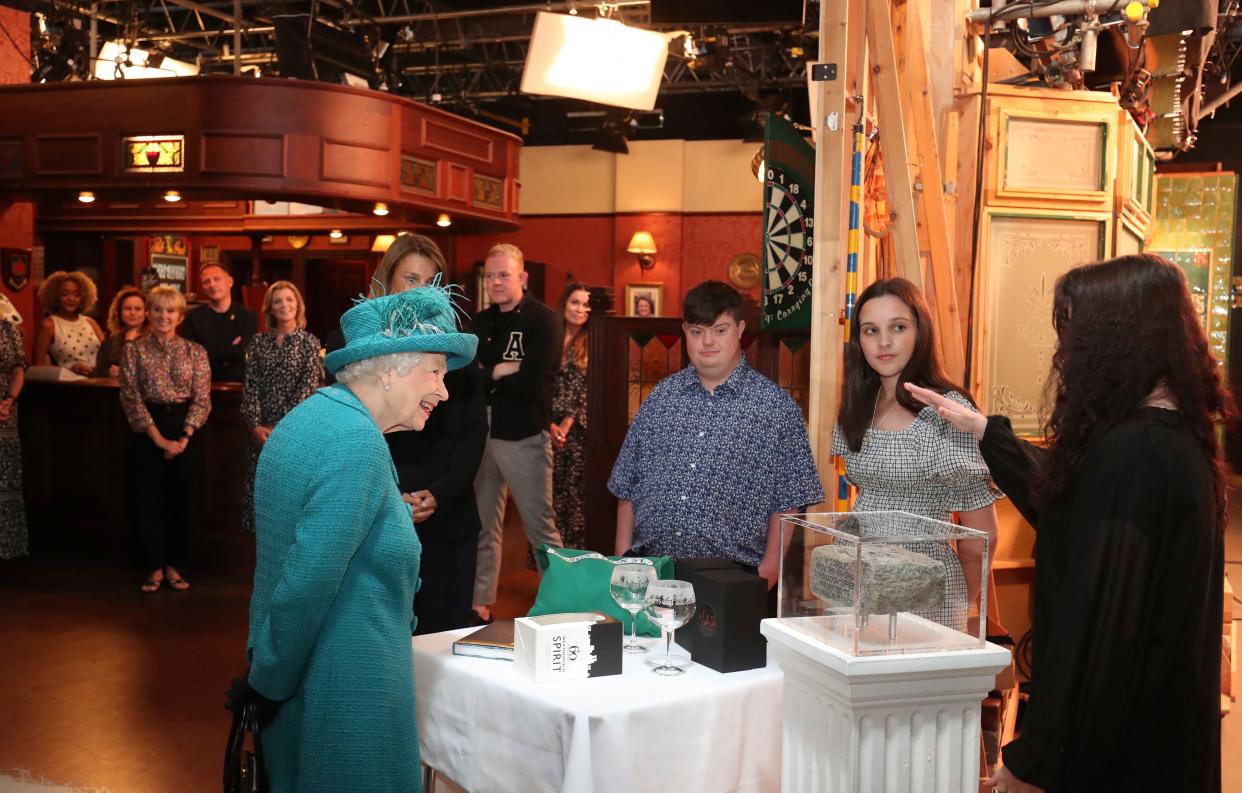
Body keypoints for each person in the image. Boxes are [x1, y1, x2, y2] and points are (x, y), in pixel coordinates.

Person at [908, 254, 1231, 793]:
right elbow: (1077, 507)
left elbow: (1097, 628)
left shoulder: (1132, 453)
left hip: (1115, 754)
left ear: (1117, 339)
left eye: (1074, 332)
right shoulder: (1170, 436)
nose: (1064, 352)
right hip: (1161, 737)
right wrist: (987, 431)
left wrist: (1035, 758)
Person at [243, 285, 477, 793]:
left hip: (309, 684)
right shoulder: (356, 444)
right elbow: (305, 584)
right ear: (390, 367)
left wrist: (267, 679)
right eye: (435, 370)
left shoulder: (312, 418)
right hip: (345, 699)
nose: (444, 390)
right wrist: (269, 683)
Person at [608, 280, 824, 589]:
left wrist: (769, 571)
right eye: (697, 332)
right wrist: (622, 562)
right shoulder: (661, 397)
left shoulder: (774, 407)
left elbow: (790, 499)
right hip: (652, 570)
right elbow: (627, 484)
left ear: (740, 329)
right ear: (684, 332)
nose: (707, 342)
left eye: (719, 330)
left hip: (733, 577)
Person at [831, 278, 1005, 635]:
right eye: (870, 330)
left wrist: (959, 606)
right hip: (854, 580)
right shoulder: (858, 404)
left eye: (898, 327)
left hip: (927, 592)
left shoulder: (947, 411)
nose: (883, 342)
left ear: (920, 331)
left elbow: (978, 539)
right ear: (858, 340)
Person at [366, 234, 488, 633]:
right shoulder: (360, 350)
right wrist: (393, 497)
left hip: (448, 514)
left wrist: (438, 494)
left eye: (431, 283)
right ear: (387, 281)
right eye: (410, 279)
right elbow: (361, 436)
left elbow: (472, 436)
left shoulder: (459, 353)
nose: (420, 292)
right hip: (382, 513)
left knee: (446, 645)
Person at [471, 243, 563, 624]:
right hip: (480, 431)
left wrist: (486, 375)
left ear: (522, 277)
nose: (495, 282)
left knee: (539, 524)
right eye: (489, 276)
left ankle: (561, 601)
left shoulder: (544, 321)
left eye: (503, 275)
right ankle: (479, 601)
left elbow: (534, 379)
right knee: (482, 523)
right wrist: (495, 372)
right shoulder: (477, 323)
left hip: (523, 433)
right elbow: (465, 378)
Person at [119, 286, 211, 593]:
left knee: (183, 500)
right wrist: (159, 439)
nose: (163, 316)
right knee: (149, 500)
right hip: (148, 431)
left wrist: (184, 437)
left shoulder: (196, 352)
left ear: (180, 316)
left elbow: (202, 400)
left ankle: (176, 565)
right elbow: (131, 398)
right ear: (148, 313)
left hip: (186, 430)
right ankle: (153, 566)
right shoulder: (134, 350)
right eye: (157, 309)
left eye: (170, 310)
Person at [239, 281, 322, 534]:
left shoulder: (310, 343)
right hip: (260, 435)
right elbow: (250, 386)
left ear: (298, 305)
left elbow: (307, 390)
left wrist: (282, 430)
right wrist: (255, 426)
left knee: (291, 501)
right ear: (270, 308)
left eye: (289, 299)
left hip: (294, 433)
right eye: (278, 301)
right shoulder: (258, 343)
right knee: (262, 500)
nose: (284, 305)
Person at [550, 282, 591, 549]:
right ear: (564, 304)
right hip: (545, 427)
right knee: (547, 501)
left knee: (575, 500)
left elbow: (593, 389)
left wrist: (566, 424)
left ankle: (576, 564)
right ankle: (550, 567)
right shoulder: (549, 337)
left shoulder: (593, 341)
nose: (580, 309)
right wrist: (549, 424)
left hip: (577, 433)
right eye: (575, 302)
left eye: (586, 304)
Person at [180, 263, 258, 381]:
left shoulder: (248, 316)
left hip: (238, 385)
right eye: (206, 282)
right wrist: (231, 349)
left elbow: (243, 351)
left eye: (217, 279)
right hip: (202, 384)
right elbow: (190, 355)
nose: (212, 284)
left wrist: (206, 351)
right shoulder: (192, 317)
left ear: (230, 282)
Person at [33, 270, 103, 375]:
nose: (71, 299)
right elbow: (38, 366)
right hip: (68, 384)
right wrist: (70, 371)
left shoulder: (90, 322)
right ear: (55, 296)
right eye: (65, 294)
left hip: (99, 380)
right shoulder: (49, 325)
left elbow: (107, 356)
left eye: (77, 295)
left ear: (83, 298)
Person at [0, 295, 27, 559]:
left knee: (3, 480)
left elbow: (18, 367)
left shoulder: (7, 322)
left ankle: (5, 546)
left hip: (4, 410)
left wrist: (9, 399)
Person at [93, 286, 146, 377]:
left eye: (138, 309)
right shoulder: (110, 342)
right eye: (128, 309)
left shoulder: (155, 339)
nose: (132, 313)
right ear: (119, 312)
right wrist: (108, 373)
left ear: (146, 312)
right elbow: (98, 372)